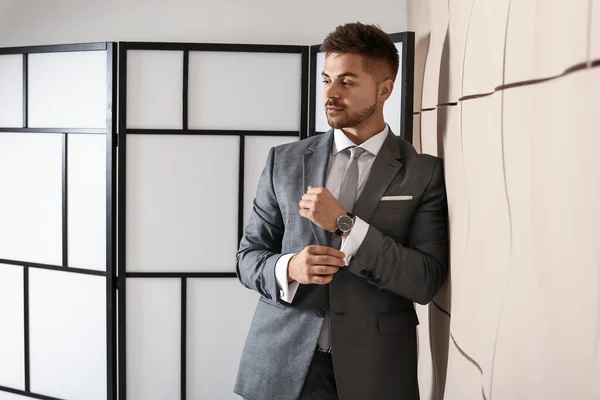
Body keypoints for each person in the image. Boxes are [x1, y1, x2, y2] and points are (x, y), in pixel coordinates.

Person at [234, 22, 448, 400]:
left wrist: (346, 224)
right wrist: (289, 268)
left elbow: (425, 280)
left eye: (347, 82)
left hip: (375, 369)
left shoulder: (422, 172)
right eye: (326, 80)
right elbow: (247, 258)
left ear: (385, 89)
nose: (330, 94)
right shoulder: (284, 161)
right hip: (282, 362)